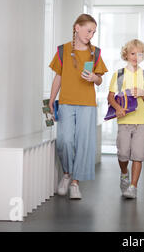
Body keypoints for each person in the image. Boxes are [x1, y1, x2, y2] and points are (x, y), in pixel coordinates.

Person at [49, 14, 108, 200]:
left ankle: (75, 182)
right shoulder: (62, 50)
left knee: (83, 143)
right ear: (77, 28)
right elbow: (58, 76)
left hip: (87, 104)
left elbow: (100, 80)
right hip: (66, 102)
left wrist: (94, 78)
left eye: (93, 32)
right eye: (88, 30)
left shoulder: (96, 53)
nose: (91, 35)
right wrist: (52, 99)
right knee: (65, 140)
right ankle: (67, 173)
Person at [107, 39, 144, 200]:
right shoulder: (119, 75)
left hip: (142, 121)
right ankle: (124, 173)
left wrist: (142, 93)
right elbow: (110, 97)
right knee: (123, 154)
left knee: (138, 155)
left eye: (140, 54)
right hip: (124, 121)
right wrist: (118, 109)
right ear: (126, 54)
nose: (135, 57)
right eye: (132, 53)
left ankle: (133, 186)